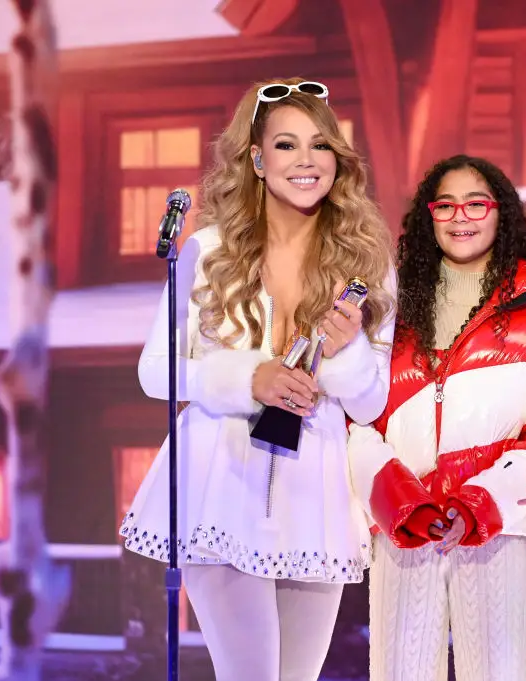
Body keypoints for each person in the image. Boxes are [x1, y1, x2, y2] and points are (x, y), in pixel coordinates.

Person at [119, 78, 396, 681]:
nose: (305, 161)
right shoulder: (207, 249)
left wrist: (348, 353)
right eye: (287, 145)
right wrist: (250, 377)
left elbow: (373, 404)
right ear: (256, 158)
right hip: (221, 484)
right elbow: (154, 370)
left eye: (320, 146)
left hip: (314, 495)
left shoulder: (368, 264)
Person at [346, 155, 526, 681]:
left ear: (501, 214)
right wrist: (403, 505)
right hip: (404, 527)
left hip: (496, 528)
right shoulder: (389, 309)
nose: (460, 216)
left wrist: (477, 508)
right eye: (445, 205)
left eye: (477, 203)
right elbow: (355, 423)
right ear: (429, 216)